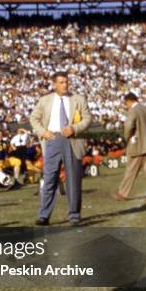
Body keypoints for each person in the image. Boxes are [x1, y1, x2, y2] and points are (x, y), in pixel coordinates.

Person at [30, 72, 92, 225]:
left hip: (72, 140)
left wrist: (74, 128)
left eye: (66, 82)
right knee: (49, 178)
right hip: (52, 140)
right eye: (61, 82)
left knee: (73, 179)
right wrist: (43, 132)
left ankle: (74, 215)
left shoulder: (78, 99)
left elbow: (88, 118)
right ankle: (44, 215)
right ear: (54, 84)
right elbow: (33, 118)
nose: (65, 85)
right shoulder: (45, 100)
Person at [114, 92, 146, 201]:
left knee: (131, 170)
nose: (126, 106)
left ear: (129, 101)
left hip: (138, 146)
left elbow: (128, 126)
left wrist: (127, 137)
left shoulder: (133, 111)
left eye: (126, 103)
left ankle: (122, 193)